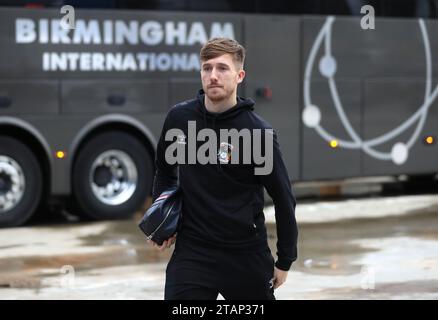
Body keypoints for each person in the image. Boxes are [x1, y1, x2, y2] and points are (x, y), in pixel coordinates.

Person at [149, 37, 298, 300]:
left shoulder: (258, 134)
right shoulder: (180, 119)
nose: (213, 76)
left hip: (245, 254)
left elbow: (283, 197)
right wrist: (163, 221)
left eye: (222, 68)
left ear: (240, 76)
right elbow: (164, 170)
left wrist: (285, 259)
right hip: (193, 252)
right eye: (207, 68)